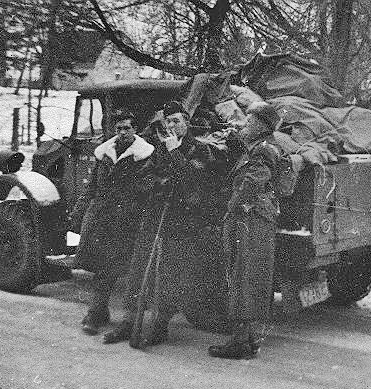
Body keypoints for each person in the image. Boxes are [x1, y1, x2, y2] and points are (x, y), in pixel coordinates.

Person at [103, 101, 229, 345]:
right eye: (168, 122)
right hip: (155, 215)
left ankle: (159, 326)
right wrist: (158, 184)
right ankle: (129, 323)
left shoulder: (201, 150)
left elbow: (193, 181)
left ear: (186, 122)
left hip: (181, 223)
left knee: (170, 276)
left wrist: (174, 153)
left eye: (176, 121)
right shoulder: (159, 149)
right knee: (139, 270)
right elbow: (144, 176)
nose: (171, 126)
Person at [71, 111, 158, 336]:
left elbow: (148, 188)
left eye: (127, 128)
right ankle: (97, 312)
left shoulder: (144, 155)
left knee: (130, 269)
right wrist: (79, 212)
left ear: (135, 130)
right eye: (118, 128)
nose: (122, 133)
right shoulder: (105, 153)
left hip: (129, 220)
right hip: (102, 218)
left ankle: (128, 321)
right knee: (101, 265)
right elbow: (91, 186)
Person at [208, 101, 282, 360]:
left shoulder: (263, 151)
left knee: (241, 277)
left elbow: (253, 181)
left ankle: (240, 342)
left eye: (249, 122)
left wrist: (232, 205)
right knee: (249, 277)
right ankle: (248, 339)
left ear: (261, 126)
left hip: (248, 218)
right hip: (256, 218)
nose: (245, 125)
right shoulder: (261, 147)